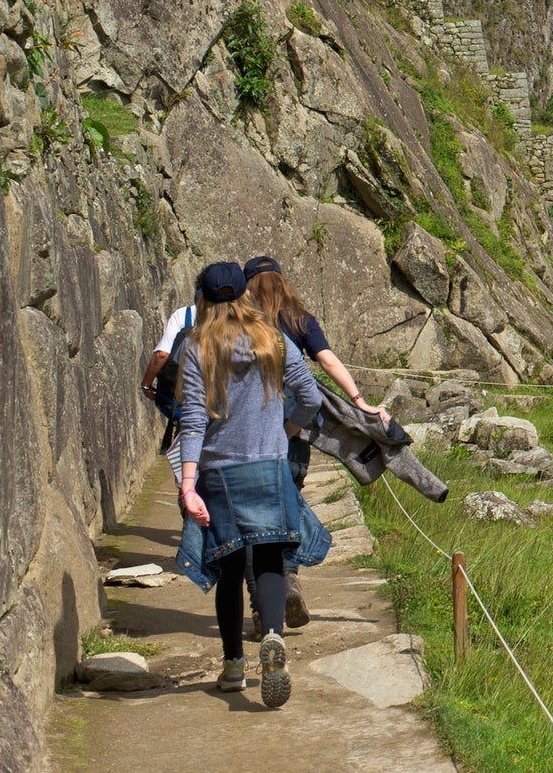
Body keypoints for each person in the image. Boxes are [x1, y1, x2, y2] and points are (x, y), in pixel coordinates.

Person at [175, 266, 327, 708]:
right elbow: (312, 397)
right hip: (270, 466)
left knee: (227, 568)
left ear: (202, 299)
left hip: (220, 472)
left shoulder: (196, 347)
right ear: (244, 297)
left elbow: (193, 421)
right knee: (269, 557)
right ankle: (274, 634)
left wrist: (188, 487)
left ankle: (234, 664)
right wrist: (286, 430)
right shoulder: (274, 340)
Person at [242, 255, 387, 631]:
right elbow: (327, 360)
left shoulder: (239, 323)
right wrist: (360, 401)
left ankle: (262, 606)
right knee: (287, 496)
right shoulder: (299, 320)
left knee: (250, 512)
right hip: (293, 425)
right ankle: (288, 574)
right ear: (282, 282)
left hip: (247, 427)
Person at [140, 263, 245, 488]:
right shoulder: (253, 328)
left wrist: (147, 384)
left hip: (190, 403)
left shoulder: (184, 316)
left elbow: (161, 355)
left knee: (190, 442)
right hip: (232, 413)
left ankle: (188, 495)